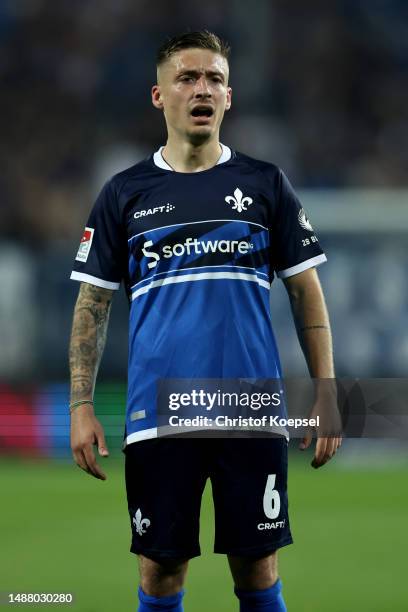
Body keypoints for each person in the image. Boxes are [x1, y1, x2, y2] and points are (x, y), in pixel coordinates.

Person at [69, 30, 341, 612]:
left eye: (214, 78)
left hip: (250, 407)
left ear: (229, 97)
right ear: (158, 96)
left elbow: (305, 292)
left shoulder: (266, 185)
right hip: (159, 410)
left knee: (258, 569)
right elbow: (92, 305)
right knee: (160, 570)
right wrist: (80, 405)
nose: (202, 89)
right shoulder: (124, 194)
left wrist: (326, 390)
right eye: (187, 78)